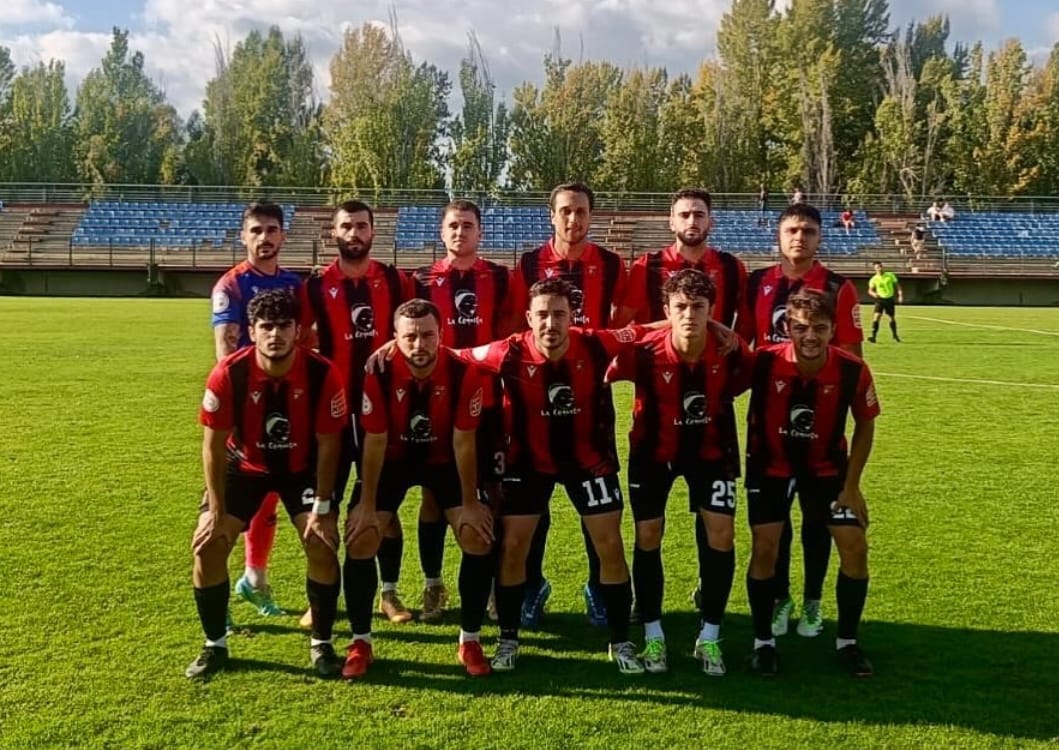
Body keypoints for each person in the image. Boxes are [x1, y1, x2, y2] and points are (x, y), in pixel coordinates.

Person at [468, 278, 649, 674]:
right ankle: (508, 639)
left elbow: (645, 330)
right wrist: (400, 344)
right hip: (527, 463)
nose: (551, 323)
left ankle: (620, 642)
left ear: (573, 317)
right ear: (529, 318)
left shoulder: (597, 344)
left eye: (560, 314)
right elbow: (456, 355)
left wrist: (713, 327)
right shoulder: (508, 352)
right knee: (513, 546)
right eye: (543, 315)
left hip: (589, 461)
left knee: (610, 545)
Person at [186, 289, 347, 680]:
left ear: (297, 331)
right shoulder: (229, 373)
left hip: (301, 469)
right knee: (209, 548)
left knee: (322, 544)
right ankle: (215, 645)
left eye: (284, 326)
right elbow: (212, 446)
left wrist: (323, 508)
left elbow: (329, 445)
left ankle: (322, 644)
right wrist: (216, 512)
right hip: (243, 466)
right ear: (252, 332)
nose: (276, 335)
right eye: (267, 327)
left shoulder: (322, 372)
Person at [606, 269, 751, 676]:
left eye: (698, 307)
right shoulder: (643, 349)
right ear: (667, 310)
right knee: (649, 534)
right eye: (681, 307)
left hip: (713, 451)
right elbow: (602, 363)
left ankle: (710, 636)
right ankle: (653, 634)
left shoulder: (730, 349)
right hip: (652, 452)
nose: (689, 315)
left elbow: (748, 377)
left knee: (721, 535)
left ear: (711, 310)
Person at [341, 299, 495, 678]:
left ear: (441, 335)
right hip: (392, 460)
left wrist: (472, 503)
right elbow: (374, 441)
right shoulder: (377, 369)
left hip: (442, 460)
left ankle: (470, 640)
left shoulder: (462, 371)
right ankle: (361, 642)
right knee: (361, 537)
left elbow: (463, 441)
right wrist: (367, 503)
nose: (419, 344)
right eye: (410, 336)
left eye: (428, 335)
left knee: (476, 535)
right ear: (395, 338)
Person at [619, 187, 749, 621]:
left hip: (713, 407)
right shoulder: (646, 267)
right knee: (648, 527)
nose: (692, 221)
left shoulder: (732, 268)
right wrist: (694, 322)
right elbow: (630, 329)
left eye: (699, 214)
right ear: (670, 222)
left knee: (714, 522)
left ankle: (707, 591)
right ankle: (646, 602)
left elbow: (742, 335)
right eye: (684, 215)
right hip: (656, 407)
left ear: (710, 221)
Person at [736, 202, 864, 644]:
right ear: (778, 235)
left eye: (808, 231)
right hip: (767, 430)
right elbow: (744, 350)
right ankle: (780, 598)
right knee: (774, 528)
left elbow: (850, 361)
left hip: (822, 434)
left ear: (819, 238)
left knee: (817, 524)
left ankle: (812, 599)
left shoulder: (837, 287)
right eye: (792, 229)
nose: (799, 237)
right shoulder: (756, 283)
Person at [508, 182, 629, 629]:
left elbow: (627, 321)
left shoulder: (612, 265)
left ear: (590, 216)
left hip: (590, 401)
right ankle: (531, 586)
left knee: (594, 502)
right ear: (551, 216)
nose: (572, 220)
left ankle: (599, 588)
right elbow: (512, 326)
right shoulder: (526, 264)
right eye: (564, 212)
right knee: (530, 506)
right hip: (531, 397)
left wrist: (604, 358)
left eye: (580, 212)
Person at [743, 289, 879, 678]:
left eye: (819, 328)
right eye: (800, 328)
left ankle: (848, 642)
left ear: (833, 330)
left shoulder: (852, 369)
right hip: (770, 468)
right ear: (786, 328)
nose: (810, 336)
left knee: (854, 545)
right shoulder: (763, 362)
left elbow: (866, 422)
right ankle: (763, 642)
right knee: (765, 548)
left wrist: (852, 486)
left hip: (826, 471)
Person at [299, 200, 414, 626]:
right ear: (334, 233)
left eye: (362, 225)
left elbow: (414, 333)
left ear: (373, 231)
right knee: (323, 505)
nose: (354, 233)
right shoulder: (314, 286)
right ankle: (321, 595)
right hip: (329, 417)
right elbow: (299, 340)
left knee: (382, 509)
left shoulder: (396, 281)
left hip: (381, 415)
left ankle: (389, 593)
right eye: (346, 226)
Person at [410, 199, 513, 624]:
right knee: (434, 497)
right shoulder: (420, 280)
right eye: (452, 225)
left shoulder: (502, 278)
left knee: (495, 496)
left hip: (489, 405)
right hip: (434, 406)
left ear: (480, 233)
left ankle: (490, 588)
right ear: (442, 232)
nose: (459, 232)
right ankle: (434, 585)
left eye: (467, 226)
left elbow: (510, 339)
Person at [210, 201, 303, 619]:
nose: (265, 238)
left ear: (283, 236)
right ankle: (218, 583)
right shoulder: (230, 287)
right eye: (256, 231)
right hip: (247, 407)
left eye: (272, 230)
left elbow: (307, 342)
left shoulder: (294, 285)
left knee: (269, 499)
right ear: (243, 236)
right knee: (232, 504)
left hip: (289, 404)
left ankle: (255, 580)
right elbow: (225, 351)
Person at [867, 261, 903, 343]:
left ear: (882, 267)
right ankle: (873, 337)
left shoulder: (890, 275)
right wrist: (874, 294)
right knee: (876, 317)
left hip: (889, 299)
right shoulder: (874, 279)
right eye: (877, 268)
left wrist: (900, 295)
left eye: (880, 267)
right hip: (880, 300)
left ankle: (895, 335)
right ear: (874, 269)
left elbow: (898, 286)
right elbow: (870, 290)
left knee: (891, 318)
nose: (879, 269)